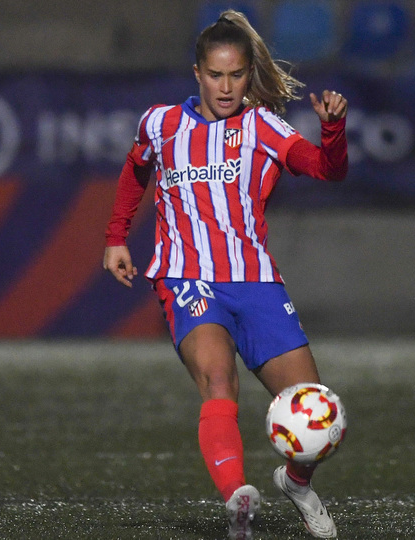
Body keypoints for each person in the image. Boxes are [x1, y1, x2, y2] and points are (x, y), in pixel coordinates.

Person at [102, 10, 347, 539]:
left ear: (248, 74)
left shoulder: (261, 125)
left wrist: (332, 128)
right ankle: (238, 498)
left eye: (236, 75)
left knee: (317, 406)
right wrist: (116, 236)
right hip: (185, 279)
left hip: (254, 279)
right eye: (216, 74)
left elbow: (327, 168)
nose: (227, 86)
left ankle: (297, 481)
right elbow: (135, 168)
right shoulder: (161, 123)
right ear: (197, 73)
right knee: (218, 381)